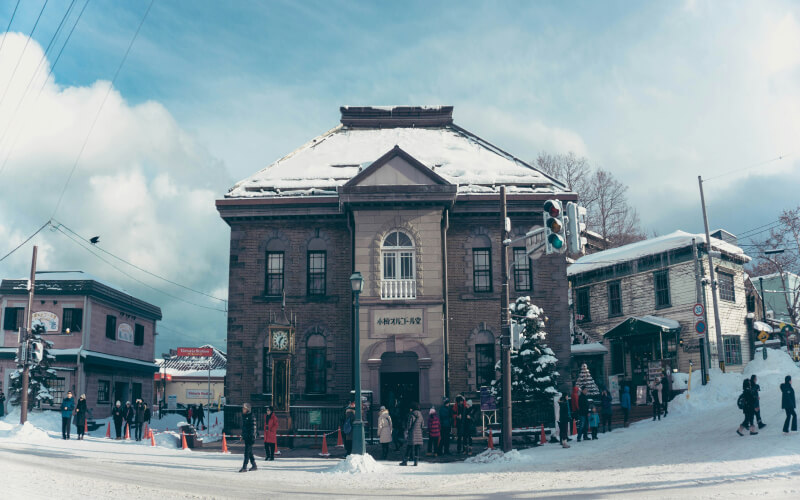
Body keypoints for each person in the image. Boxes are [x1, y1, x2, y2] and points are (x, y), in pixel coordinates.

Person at [400, 401, 423, 466]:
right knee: (417, 448)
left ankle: (405, 461)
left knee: (409, 447)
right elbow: (422, 425)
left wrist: (407, 429)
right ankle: (416, 462)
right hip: (419, 434)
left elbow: (409, 425)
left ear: (412, 408)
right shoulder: (420, 415)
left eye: (410, 408)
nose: (409, 409)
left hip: (412, 434)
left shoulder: (412, 415)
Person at [239, 403, 257, 472]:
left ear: (247, 409)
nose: (243, 409)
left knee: (246, 452)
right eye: (243, 408)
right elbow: (244, 428)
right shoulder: (244, 416)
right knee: (249, 452)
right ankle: (254, 465)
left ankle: (244, 467)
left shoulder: (251, 416)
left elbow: (253, 428)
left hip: (250, 437)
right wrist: (242, 435)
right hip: (246, 437)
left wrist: (252, 436)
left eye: (244, 408)